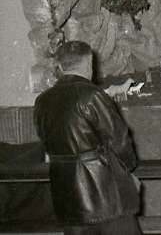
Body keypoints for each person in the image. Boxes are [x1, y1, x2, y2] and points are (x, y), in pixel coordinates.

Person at [34, 41, 141, 235]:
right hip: (106, 196)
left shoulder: (42, 101)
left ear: (60, 66)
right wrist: (128, 172)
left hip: (68, 197)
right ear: (88, 64)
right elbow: (119, 140)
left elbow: (45, 142)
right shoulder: (92, 95)